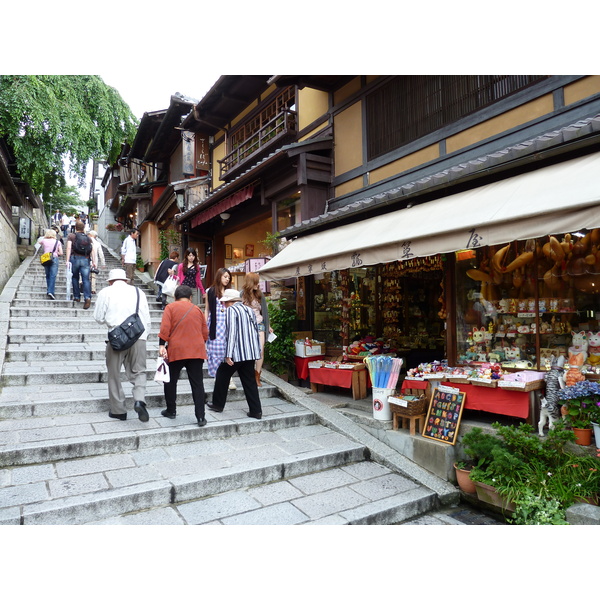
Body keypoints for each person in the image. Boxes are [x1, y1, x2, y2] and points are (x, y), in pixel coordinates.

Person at [93, 268, 152, 422]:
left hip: (117, 339)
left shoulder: (105, 292)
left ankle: (119, 410)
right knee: (139, 372)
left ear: (111, 281)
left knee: (114, 374)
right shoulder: (139, 292)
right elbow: (146, 317)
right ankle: (139, 400)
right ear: (125, 280)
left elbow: (98, 318)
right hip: (139, 336)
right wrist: (144, 337)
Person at [207, 289, 263, 419]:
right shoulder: (248, 310)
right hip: (250, 353)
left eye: (225, 302)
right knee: (249, 381)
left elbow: (231, 333)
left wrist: (228, 354)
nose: (224, 304)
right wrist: (256, 352)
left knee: (221, 374)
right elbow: (255, 331)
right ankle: (256, 411)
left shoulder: (231, 311)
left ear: (230, 301)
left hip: (237, 353)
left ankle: (218, 404)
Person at [158, 285, 209, 426]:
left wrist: (162, 345)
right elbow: (205, 332)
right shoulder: (197, 309)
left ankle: (171, 410)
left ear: (175, 297)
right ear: (191, 297)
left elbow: (165, 328)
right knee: (197, 384)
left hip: (177, 349)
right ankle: (200, 417)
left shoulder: (170, 308)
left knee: (170, 380)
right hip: (196, 350)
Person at [205, 267, 237, 391]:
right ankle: (218, 376)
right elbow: (207, 309)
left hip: (228, 324)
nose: (227, 279)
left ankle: (229, 378)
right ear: (219, 277)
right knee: (214, 351)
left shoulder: (230, 293)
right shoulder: (210, 291)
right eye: (225, 277)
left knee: (228, 350)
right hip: (215, 324)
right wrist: (204, 324)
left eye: (228, 277)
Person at [241, 272, 273, 387]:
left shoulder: (259, 294)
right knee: (247, 351)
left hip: (259, 324)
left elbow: (264, 311)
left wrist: (268, 325)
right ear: (251, 282)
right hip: (246, 325)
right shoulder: (242, 295)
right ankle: (248, 374)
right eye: (256, 281)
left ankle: (257, 375)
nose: (258, 284)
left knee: (260, 350)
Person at [65, 220, 97, 309]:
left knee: (75, 277)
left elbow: (68, 248)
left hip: (74, 258)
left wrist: (67, 260)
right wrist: (94, 261)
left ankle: (77, 297)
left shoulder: (71, 236)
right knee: (86, 279)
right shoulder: (88, 237)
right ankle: (87, 297)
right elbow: (93, 249)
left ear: (75, 227)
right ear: (84, 228)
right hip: (85, 259)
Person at [38, 228, 63, 300]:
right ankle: (50, 291)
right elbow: (61, 253)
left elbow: (38, 241)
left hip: (46, 258)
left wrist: (45, 237)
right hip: (54, 258)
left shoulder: (44, 241)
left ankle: (49, 289)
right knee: (53, 275)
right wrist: (55, 253)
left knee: (48, 275)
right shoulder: (57, 242)